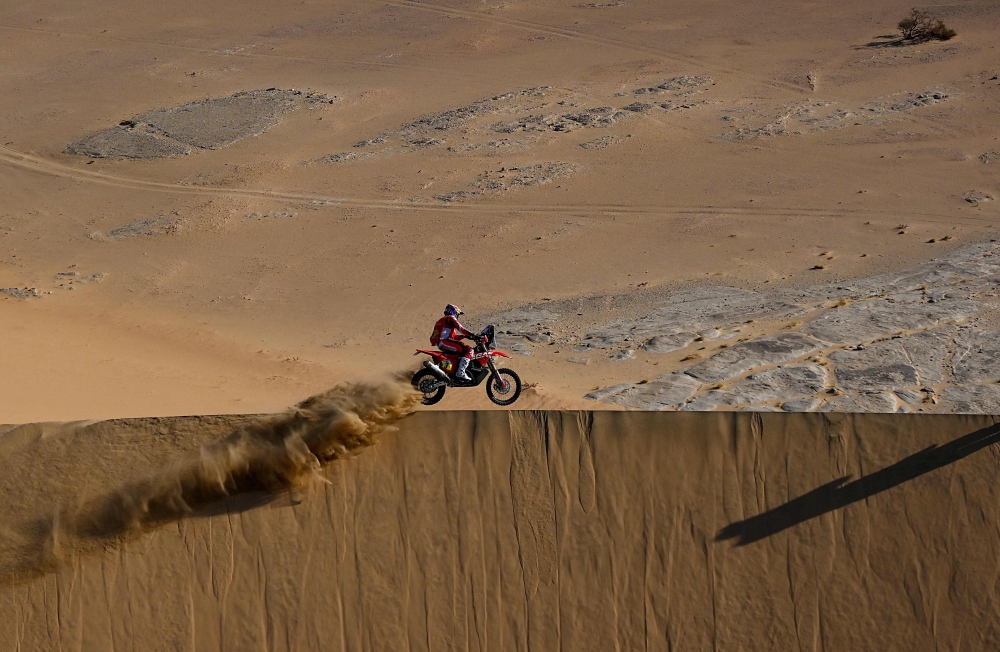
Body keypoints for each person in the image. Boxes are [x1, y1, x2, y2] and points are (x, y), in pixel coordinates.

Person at [431, 304, 476, 382]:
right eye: (458, 314)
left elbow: (451, 336)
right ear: (454, 312)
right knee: (469, 350)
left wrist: (464, 336)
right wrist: (473, 335)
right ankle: (460, 373)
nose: (457, 316)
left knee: (459, 352)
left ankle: (453, 371)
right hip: (445, 342)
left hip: (442, 343)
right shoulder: (450, 318)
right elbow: (461, 328)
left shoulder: (441, 321)